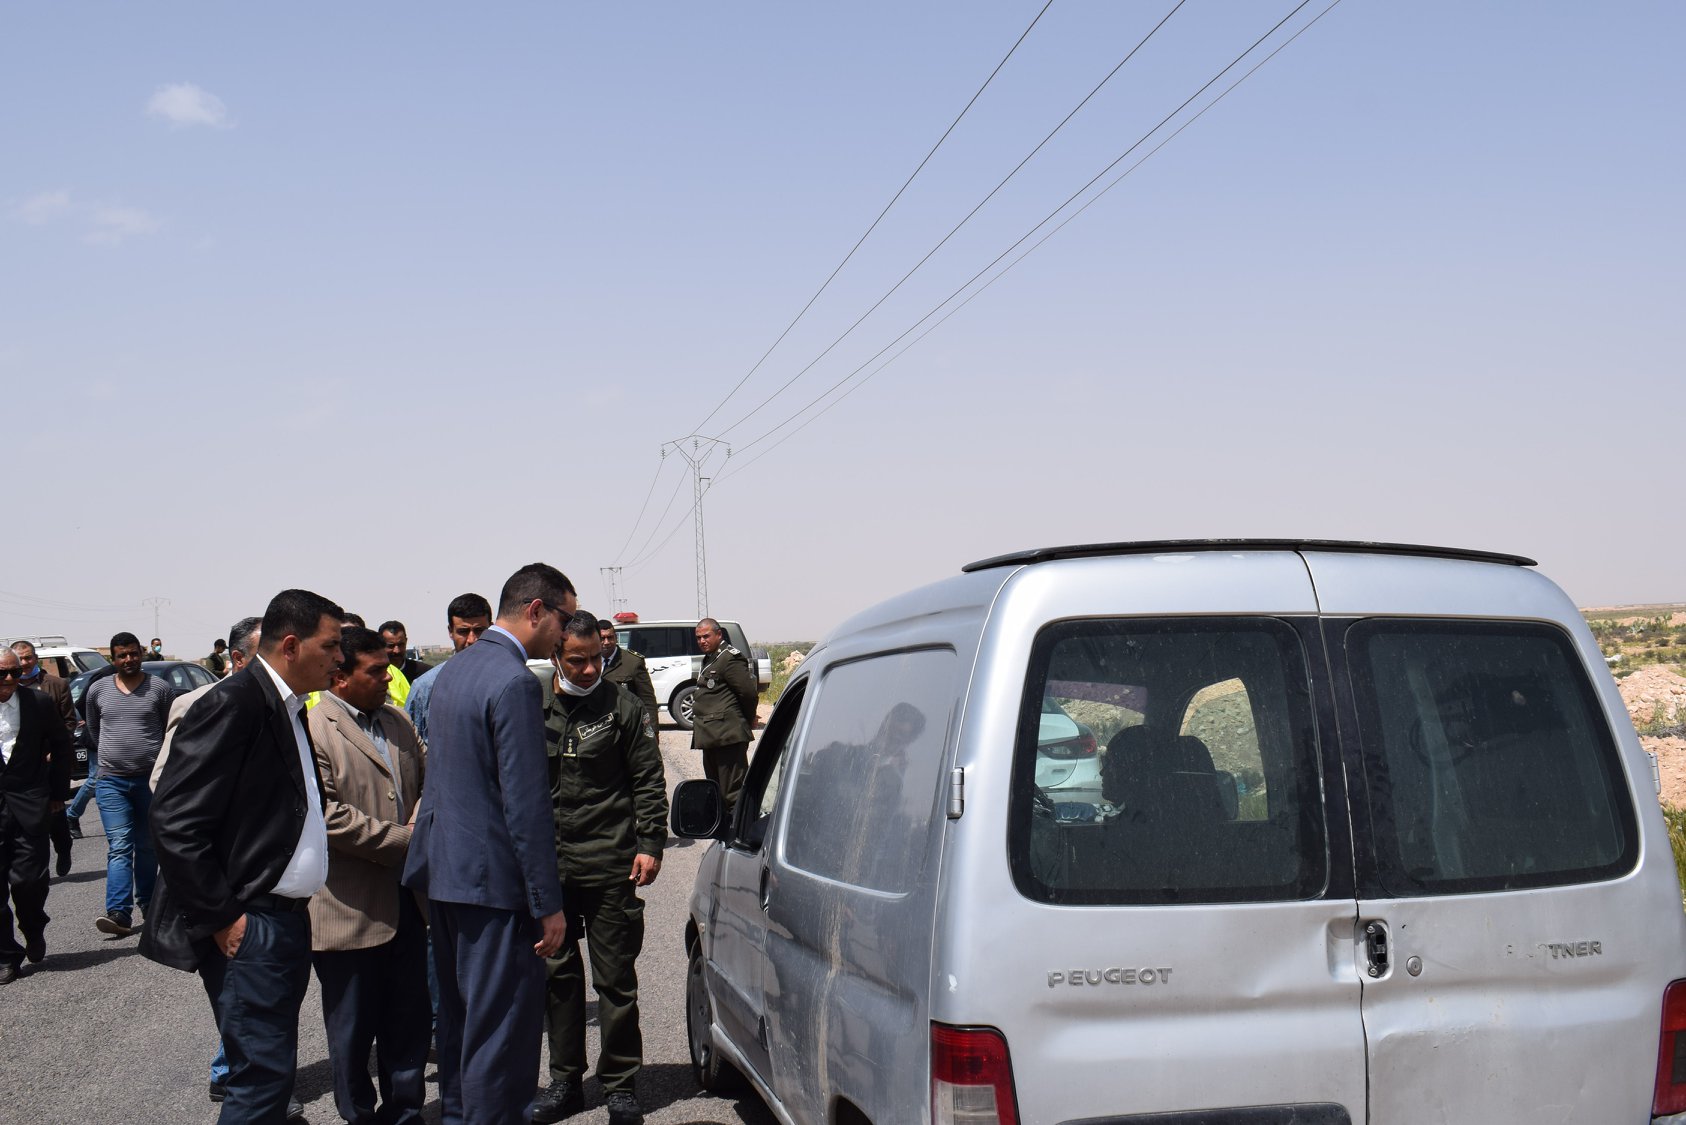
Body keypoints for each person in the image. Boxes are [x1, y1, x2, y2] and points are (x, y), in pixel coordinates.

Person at [142, 589, 344, 1123]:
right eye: (331, 645)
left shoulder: (287, 705)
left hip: (284, 919)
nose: (340, 657)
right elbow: (174, 821)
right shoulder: (234, 702)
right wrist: (222, 919)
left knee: (270, 1077)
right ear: (292, 646)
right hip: (249, 923)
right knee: (259, 1081)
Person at [401, 563, 574, 1125]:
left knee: (461, 1029)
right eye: (563, 619)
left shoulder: (454, 670)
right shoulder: (515, 681)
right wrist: (546, 903)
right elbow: (525, 806)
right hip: (496, 890)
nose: (564, 634)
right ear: (536, 610)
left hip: (447, 879)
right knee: (501, 1040)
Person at [532, 613, 666, 1125]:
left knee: (615, 983)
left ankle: (621, 1085)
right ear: (555, 656)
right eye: (577, 660)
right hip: (552, 870)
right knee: (559, 979)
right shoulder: (532, 706)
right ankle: (565, 1081)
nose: (590, 669)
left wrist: (650, 843)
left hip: (611, 865)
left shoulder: (623, 707)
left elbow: (648, 779)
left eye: (596, 659)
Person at [308, 627, 429, 1125]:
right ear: (340, 677)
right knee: (352, 1031)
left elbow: (431, 779)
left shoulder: (398, 720)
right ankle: (358, 1114)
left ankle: (406, 1112)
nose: (387, 678)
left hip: (407, 902)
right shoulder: (314, 729)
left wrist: (419, 821)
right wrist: (405, 840)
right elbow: (326, 816)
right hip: (348, 909)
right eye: (376, 671)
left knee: (409, 1022)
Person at [83, 631, 178, 936]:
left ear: (141, 654)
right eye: (122, 655)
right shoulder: (98, 690)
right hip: (111, 781)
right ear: (113, 659)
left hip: (150, 782)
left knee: (147, 846)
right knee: (120, 846)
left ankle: (149, 905)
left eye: (133, 653)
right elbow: (95, 731)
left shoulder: (160, 689)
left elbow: (170, 731)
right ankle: (119, 913)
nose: (129, 659)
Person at [0, 647, 72, 981]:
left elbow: (62, 745)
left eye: (15, 672)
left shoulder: (38, 703)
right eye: (2, 673)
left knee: (29, 881)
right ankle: (6, 955)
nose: (10, 679)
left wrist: (58, 793)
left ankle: (33, 926)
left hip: (29, 804)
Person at [10, 640, 77, 876]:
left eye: (28, 658)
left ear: (36, 658)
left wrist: (53, 750)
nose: (25, 663)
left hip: (49, 763)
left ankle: (63, 847)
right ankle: (33, 867)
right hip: (19, 767)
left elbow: (69, 722)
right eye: (20, 659)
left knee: (54, 814)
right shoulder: (7, 686)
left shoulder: (56, 685)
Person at [690, 617, 758, 815]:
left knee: (732, 794)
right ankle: (723, 827)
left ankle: (739, 829)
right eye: (698, 638)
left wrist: (747, 719)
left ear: (719, 634)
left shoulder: (730, 658)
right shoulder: (711, 658)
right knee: (716, 790)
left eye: (706, 636)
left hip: (728, 736)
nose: (702, 641)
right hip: (712, 736)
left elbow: (748, 693)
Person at [405, 593, 491, 748]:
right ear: (450, 631)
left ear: (491, 628)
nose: (472, 639)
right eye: (463, 631)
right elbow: (411, 746)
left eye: (479, 630)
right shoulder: (426, 687)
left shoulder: (510, 680)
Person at [598, 619, 658, 732]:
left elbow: (647, 700)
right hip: (600, 729)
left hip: (626, 727)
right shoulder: (589, 661)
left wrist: (652, 731)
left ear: (616, 638)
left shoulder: (633, 662)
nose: (606, 642)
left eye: (610, 637)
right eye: (602, 638)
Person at [379, 621, 432, 685]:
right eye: (391, 646)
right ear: (380, 644)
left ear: (406, 641)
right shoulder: (375, 674)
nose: (397, 651)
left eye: (400, 645)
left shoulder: (426, 673)